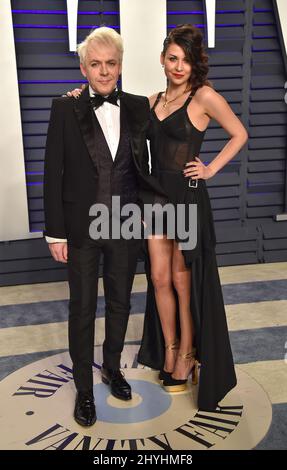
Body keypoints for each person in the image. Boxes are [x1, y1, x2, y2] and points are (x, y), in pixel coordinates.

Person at [43, 27, 159, 427]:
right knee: (82, 308)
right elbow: (52, 171)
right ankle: (84, 389)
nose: (104, 71)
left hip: (126, 221)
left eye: (111, 63)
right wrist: (55, 233)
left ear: (121, 65)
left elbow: (148, 164)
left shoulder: (140, 106)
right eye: (96, 64)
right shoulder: (64, 107)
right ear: (83, 67)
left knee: (121, 302)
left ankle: (112, 368)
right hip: (80, 226)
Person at [137, 24, 248, 411]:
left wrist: (211, 169)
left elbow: (239, 133)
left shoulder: (203, 97)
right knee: (159, 278)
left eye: (185, 60)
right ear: (163, 60)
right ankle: (168, 350)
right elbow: (113, 107)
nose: (178, 66)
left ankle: (187, 355)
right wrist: (80, 95)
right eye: (172, 58)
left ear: (194, 62)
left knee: (184, 283)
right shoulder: (153, 100)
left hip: (186, 199)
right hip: (154, 200)